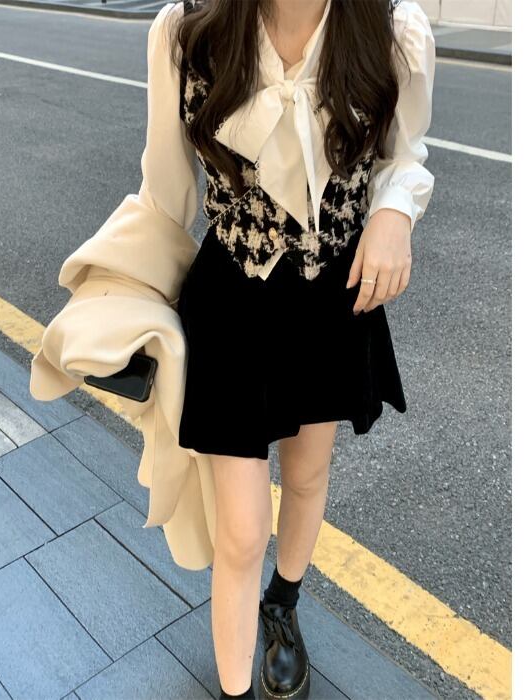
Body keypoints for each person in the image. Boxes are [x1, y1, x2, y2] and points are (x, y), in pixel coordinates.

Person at [139, 1, 434, 697]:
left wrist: (395, 212)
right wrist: (130, 303)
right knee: (242, 531)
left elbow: (403, 154)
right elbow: (165, 194)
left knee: (305, 476)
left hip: (330, 299)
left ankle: (283, 604)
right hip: (230, 301)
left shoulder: (390, 29)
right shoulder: (188, 32)